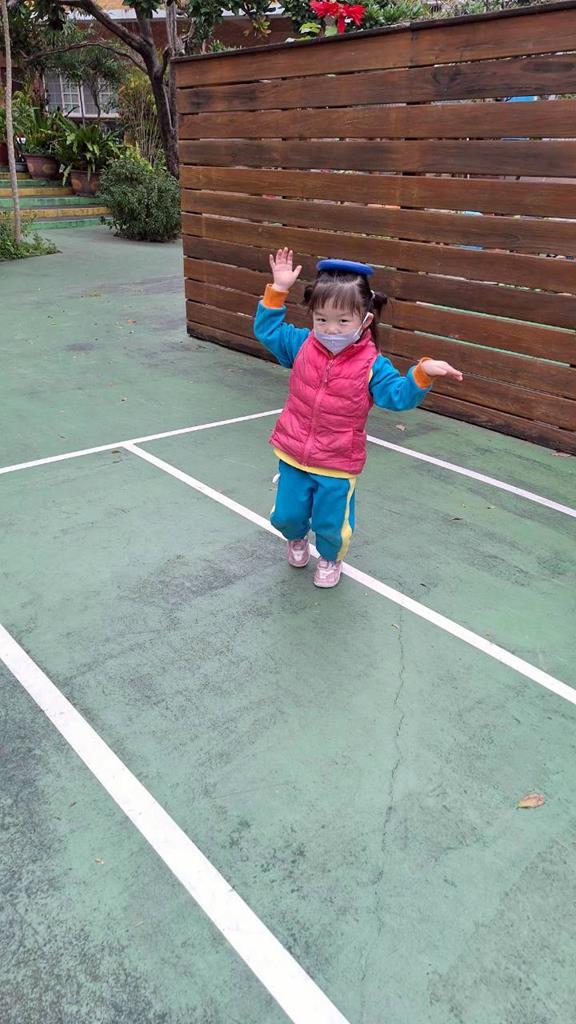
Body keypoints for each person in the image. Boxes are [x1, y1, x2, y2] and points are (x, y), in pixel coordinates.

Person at [253, 249, 463, 588]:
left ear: (364, 320)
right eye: (321, 319)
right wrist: (278, 289)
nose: (330, 329)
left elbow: (398, 396)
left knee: (332, 524)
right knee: (286, 516)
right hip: (293, 452)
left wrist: (422, 373)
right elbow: (267, 331)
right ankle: (295, 537)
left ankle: (330, 559)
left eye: (342, 321)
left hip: (338, 462)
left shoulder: (371, 364)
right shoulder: (302, 344)